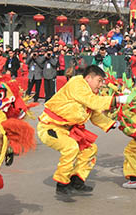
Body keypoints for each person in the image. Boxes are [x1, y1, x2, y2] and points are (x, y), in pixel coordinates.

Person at [36, 65, 116, 196]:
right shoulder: (77, 83)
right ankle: (62, 183)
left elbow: (94, 114)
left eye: (102, 82)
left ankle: (77, 180)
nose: (101, 85)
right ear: (89, 78)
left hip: (69, 130)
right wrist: (117, 100)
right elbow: (94, 102)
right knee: (71, 147)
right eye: (99, 80)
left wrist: (112, 123)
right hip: (50, 126)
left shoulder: (88, 93)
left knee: (90, 149)